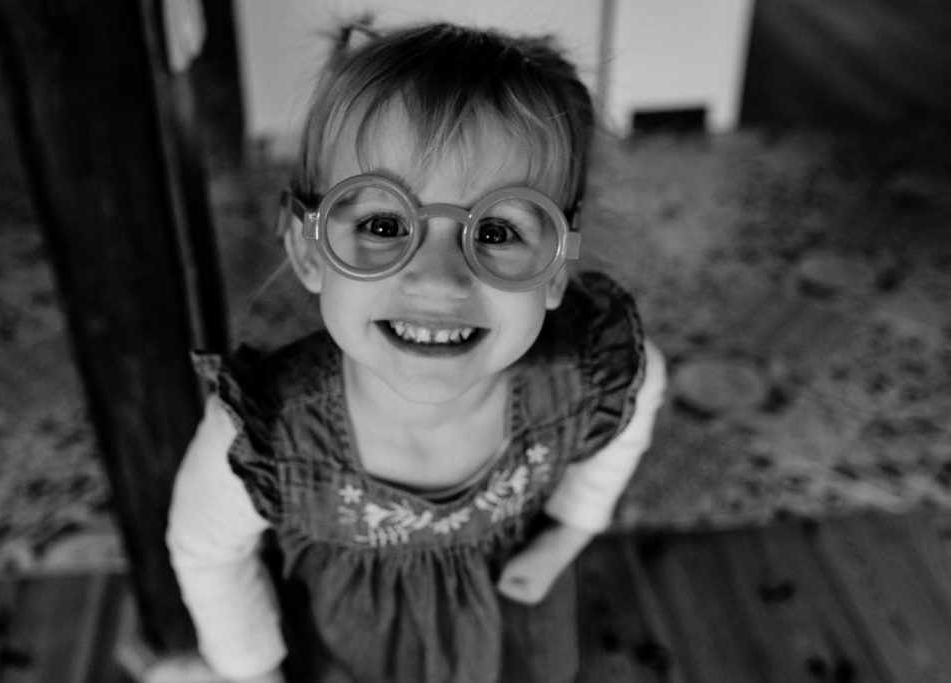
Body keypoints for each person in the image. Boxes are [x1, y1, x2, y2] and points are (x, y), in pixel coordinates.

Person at [167, 20, 667, 683]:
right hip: (349, 656)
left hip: (509, 639)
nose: (438, 280)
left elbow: (643, 389)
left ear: (553, 271)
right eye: (383, 224)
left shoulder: (581, 376)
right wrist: (253, 669)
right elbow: (206, 550)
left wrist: (571, 529)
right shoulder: (264, 437)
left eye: (496, 231)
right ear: (309, 252)